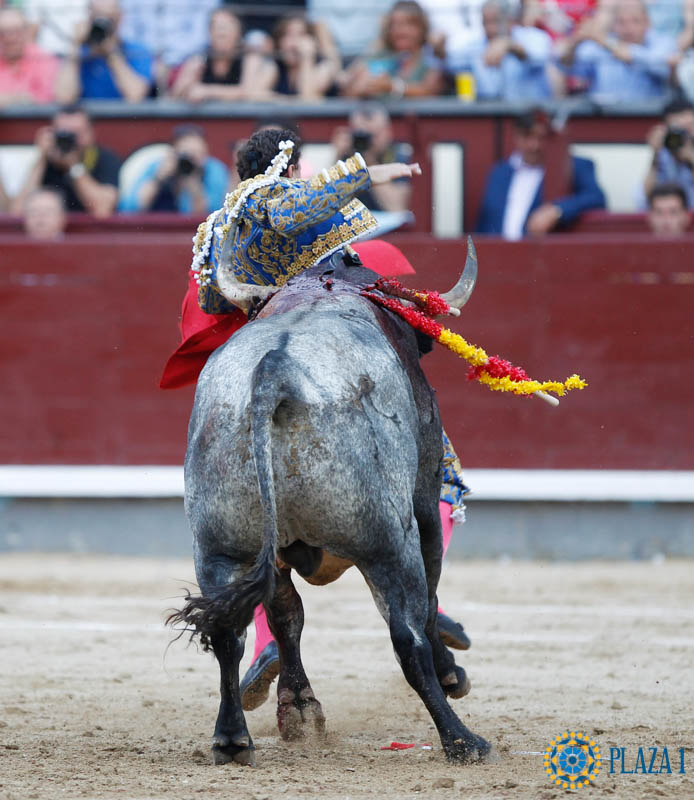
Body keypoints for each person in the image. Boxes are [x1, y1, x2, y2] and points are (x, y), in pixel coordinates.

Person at [160, 127, 472, 709]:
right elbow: (294, 209)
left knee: (236, 512)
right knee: (437, 469)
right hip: (327, 346)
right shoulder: (264, 201)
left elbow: (208, 304)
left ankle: (262, 644)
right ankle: (427, 604)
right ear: (291, 165)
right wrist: (365, 174)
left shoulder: (216, 231)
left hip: (260, 355)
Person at [476, 108, 606, 238]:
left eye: (541, 137)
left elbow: (595, 197)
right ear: (516, 136)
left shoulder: (572, 165)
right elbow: (486, 223)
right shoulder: (500, 172)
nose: (534, 145)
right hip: (498, 254)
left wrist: (556, 210)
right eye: (527, 136)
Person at [12, 105, 121, 218]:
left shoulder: (103, 158)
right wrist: (42, 158)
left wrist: (73, 167)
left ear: (90, 133)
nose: (68, 140)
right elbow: (18, 210)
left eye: (76, 133)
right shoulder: (45, 161)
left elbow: (103, 209)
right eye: (63, 133)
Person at [560, 0, 676, 101]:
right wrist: (576, 40)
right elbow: (567, 66)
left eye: (635, 21)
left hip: (648, 117)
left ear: (647, 23)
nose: (628, 28)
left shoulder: (663, 43)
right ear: (613, 25)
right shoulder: (598, 46)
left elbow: (656, 65)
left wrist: (603, 40)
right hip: (604, 118)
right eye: (621, 22)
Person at [446, 0, 553, 100]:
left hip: (530, 114)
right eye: (485, 22)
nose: (490, 28)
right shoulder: (476, 44)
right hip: (489, 113)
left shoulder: (534, 36)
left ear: (510, 20)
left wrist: (510, 46)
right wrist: (440, 47)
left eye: (496, 21)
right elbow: (450, 63)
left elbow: (539, 58)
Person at [340, 0, 444, 98]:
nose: (398, 30)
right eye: (394, 24)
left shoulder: (430, 56)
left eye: (406, 24)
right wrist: (360, 90)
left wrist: (393, 86)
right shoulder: (381, 56)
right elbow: (347, 89)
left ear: (421, 27)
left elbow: (430, 91)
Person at [55, 0, 153, 103]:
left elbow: (136, 96)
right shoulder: (79, 53)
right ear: (89, 17)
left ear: (120, 17)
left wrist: (111, 53)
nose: (102, 24)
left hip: (123, 118)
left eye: (109, 18)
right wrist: (75, 45)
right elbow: (64, 98)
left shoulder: (137, 51)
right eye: (97, 17)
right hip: (88, 118)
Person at [120, 124, 228, 215]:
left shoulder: (214, 169)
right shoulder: (158, 166)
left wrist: (192, 181)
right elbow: (131, 208)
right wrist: (158, 178)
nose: (191, 160)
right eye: (186, 153)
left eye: (197, 153)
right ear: (173, 152)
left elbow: (209, 215)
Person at [118, 0, 219, 89]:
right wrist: (150, 60)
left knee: (195, 66)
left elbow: (203, 33)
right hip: (143, 59)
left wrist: (170, 61)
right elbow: (127, 30)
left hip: (186, 61)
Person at [332, 102, 414, 211]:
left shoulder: (398, 155)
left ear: (387, 132)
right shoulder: (348, 155)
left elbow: (396, 208)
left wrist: (369, 163)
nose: (368, 142)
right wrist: (337, 157)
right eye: (362, 135)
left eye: (373, 135)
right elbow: (329, 203)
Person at [170, 7, 261, 103]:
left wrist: (207, 91)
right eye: (216, 26)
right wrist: (187, 81)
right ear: (209, 32)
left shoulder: (249, 57)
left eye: (226, 26)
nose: (221, 32)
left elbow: (249, 92)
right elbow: (173, 97)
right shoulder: (199, 59)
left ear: (239, 32)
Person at [252, 14, 342, 99]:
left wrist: (307, 58)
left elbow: (307, 97)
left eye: (300, 35)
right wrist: (286, 101)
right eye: (288, 35)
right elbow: (253, 95)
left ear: (311, 40)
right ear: (279, 41)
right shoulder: (275, 65)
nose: (293, 44)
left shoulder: (324, 66)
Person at [641, 97, 694, 209]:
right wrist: (655, 155)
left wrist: (691, 158)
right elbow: (645, 199)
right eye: (676, 129)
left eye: (687, 128)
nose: (681, 135)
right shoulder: (662, 157)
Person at [0, 7, 59, 106]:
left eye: (17, 31)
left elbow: (47, 99)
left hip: (36, 121)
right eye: (2, 33)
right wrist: (21, 98)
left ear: (26, 32)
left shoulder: (43, 59)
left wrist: (9, 99)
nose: (10, 38)